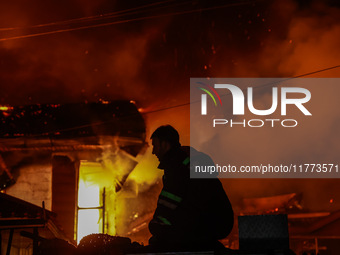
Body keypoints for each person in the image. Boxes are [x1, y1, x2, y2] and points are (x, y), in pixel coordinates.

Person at [148, 125, 234, 251]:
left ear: (165, 144)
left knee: (159, 233)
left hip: (205, 224)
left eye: (155, 146)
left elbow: (167, 205)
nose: (153, 151)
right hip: (219, 223)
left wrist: (156, 227)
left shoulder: (177, 166)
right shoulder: (187, 160)